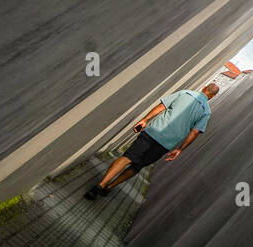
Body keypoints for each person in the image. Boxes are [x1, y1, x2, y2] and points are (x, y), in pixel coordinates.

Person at [85, 83, 219, 200]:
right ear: (212, 97)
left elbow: (162, 107)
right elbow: (195, 132)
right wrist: (180, 149)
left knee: (127, 157)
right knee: (137, 166)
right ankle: (109, 187)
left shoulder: (185, 93)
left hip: (152, 132)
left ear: (203, 88)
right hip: (166, 144)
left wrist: (145, 120)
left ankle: (100, 185)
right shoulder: (206, 112)